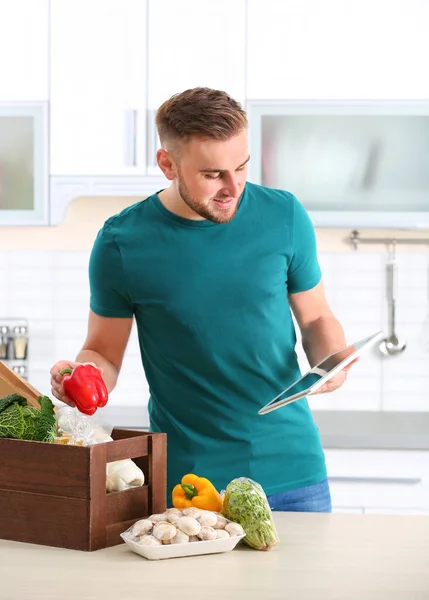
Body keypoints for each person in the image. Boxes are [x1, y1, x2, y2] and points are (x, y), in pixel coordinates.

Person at [50, 87, 354, 512]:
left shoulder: (284, 215)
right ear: (167, 164)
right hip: (189, 486)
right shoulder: (122, 242)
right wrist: (81, 376)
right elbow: (103, 351)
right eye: (213, 175)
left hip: (291, 472)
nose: (233, 187)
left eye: (242, 167)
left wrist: (331, 362)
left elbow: (316, 318)